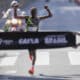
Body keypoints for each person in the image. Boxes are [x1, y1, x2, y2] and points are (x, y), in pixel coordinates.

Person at [15, 5, 53, 75]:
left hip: (33, 38)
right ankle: (31, 57)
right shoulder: (30, 18)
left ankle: (32, 68)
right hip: (31, 38)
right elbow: (16, 17)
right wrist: (15, 9)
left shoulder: (35, 18)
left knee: (34, 53)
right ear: (32, 13)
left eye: (34, 12)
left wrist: (47, 9)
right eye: (34, 12)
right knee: (31, 53)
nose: (34, 13)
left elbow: (50, 15)